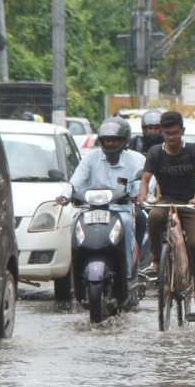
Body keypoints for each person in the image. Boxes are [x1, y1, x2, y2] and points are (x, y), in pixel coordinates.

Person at [139, 111, 195, 317]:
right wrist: (142, 195)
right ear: (162, 132)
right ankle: (156, 261)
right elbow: (145, 180)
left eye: (176, 133)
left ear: (182, 132)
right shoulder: (155, 152)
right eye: (167, 133)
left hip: (190, 204)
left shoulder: (194, 150)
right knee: (153, 217)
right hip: (166, 201)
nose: (172, 137)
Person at [67, 116, 146, 278]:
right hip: (90, 210)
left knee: (126, 223)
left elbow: (139, 187)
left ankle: (127, 275)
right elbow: (75, 182)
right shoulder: (90, 158)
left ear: (124, 140)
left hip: (120, 211)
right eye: (106, 140)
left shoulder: (133, 161)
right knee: (75, 223)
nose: (110, 144)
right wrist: (65, 195)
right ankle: (76, 273)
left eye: (114, 140)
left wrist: (139, 196)